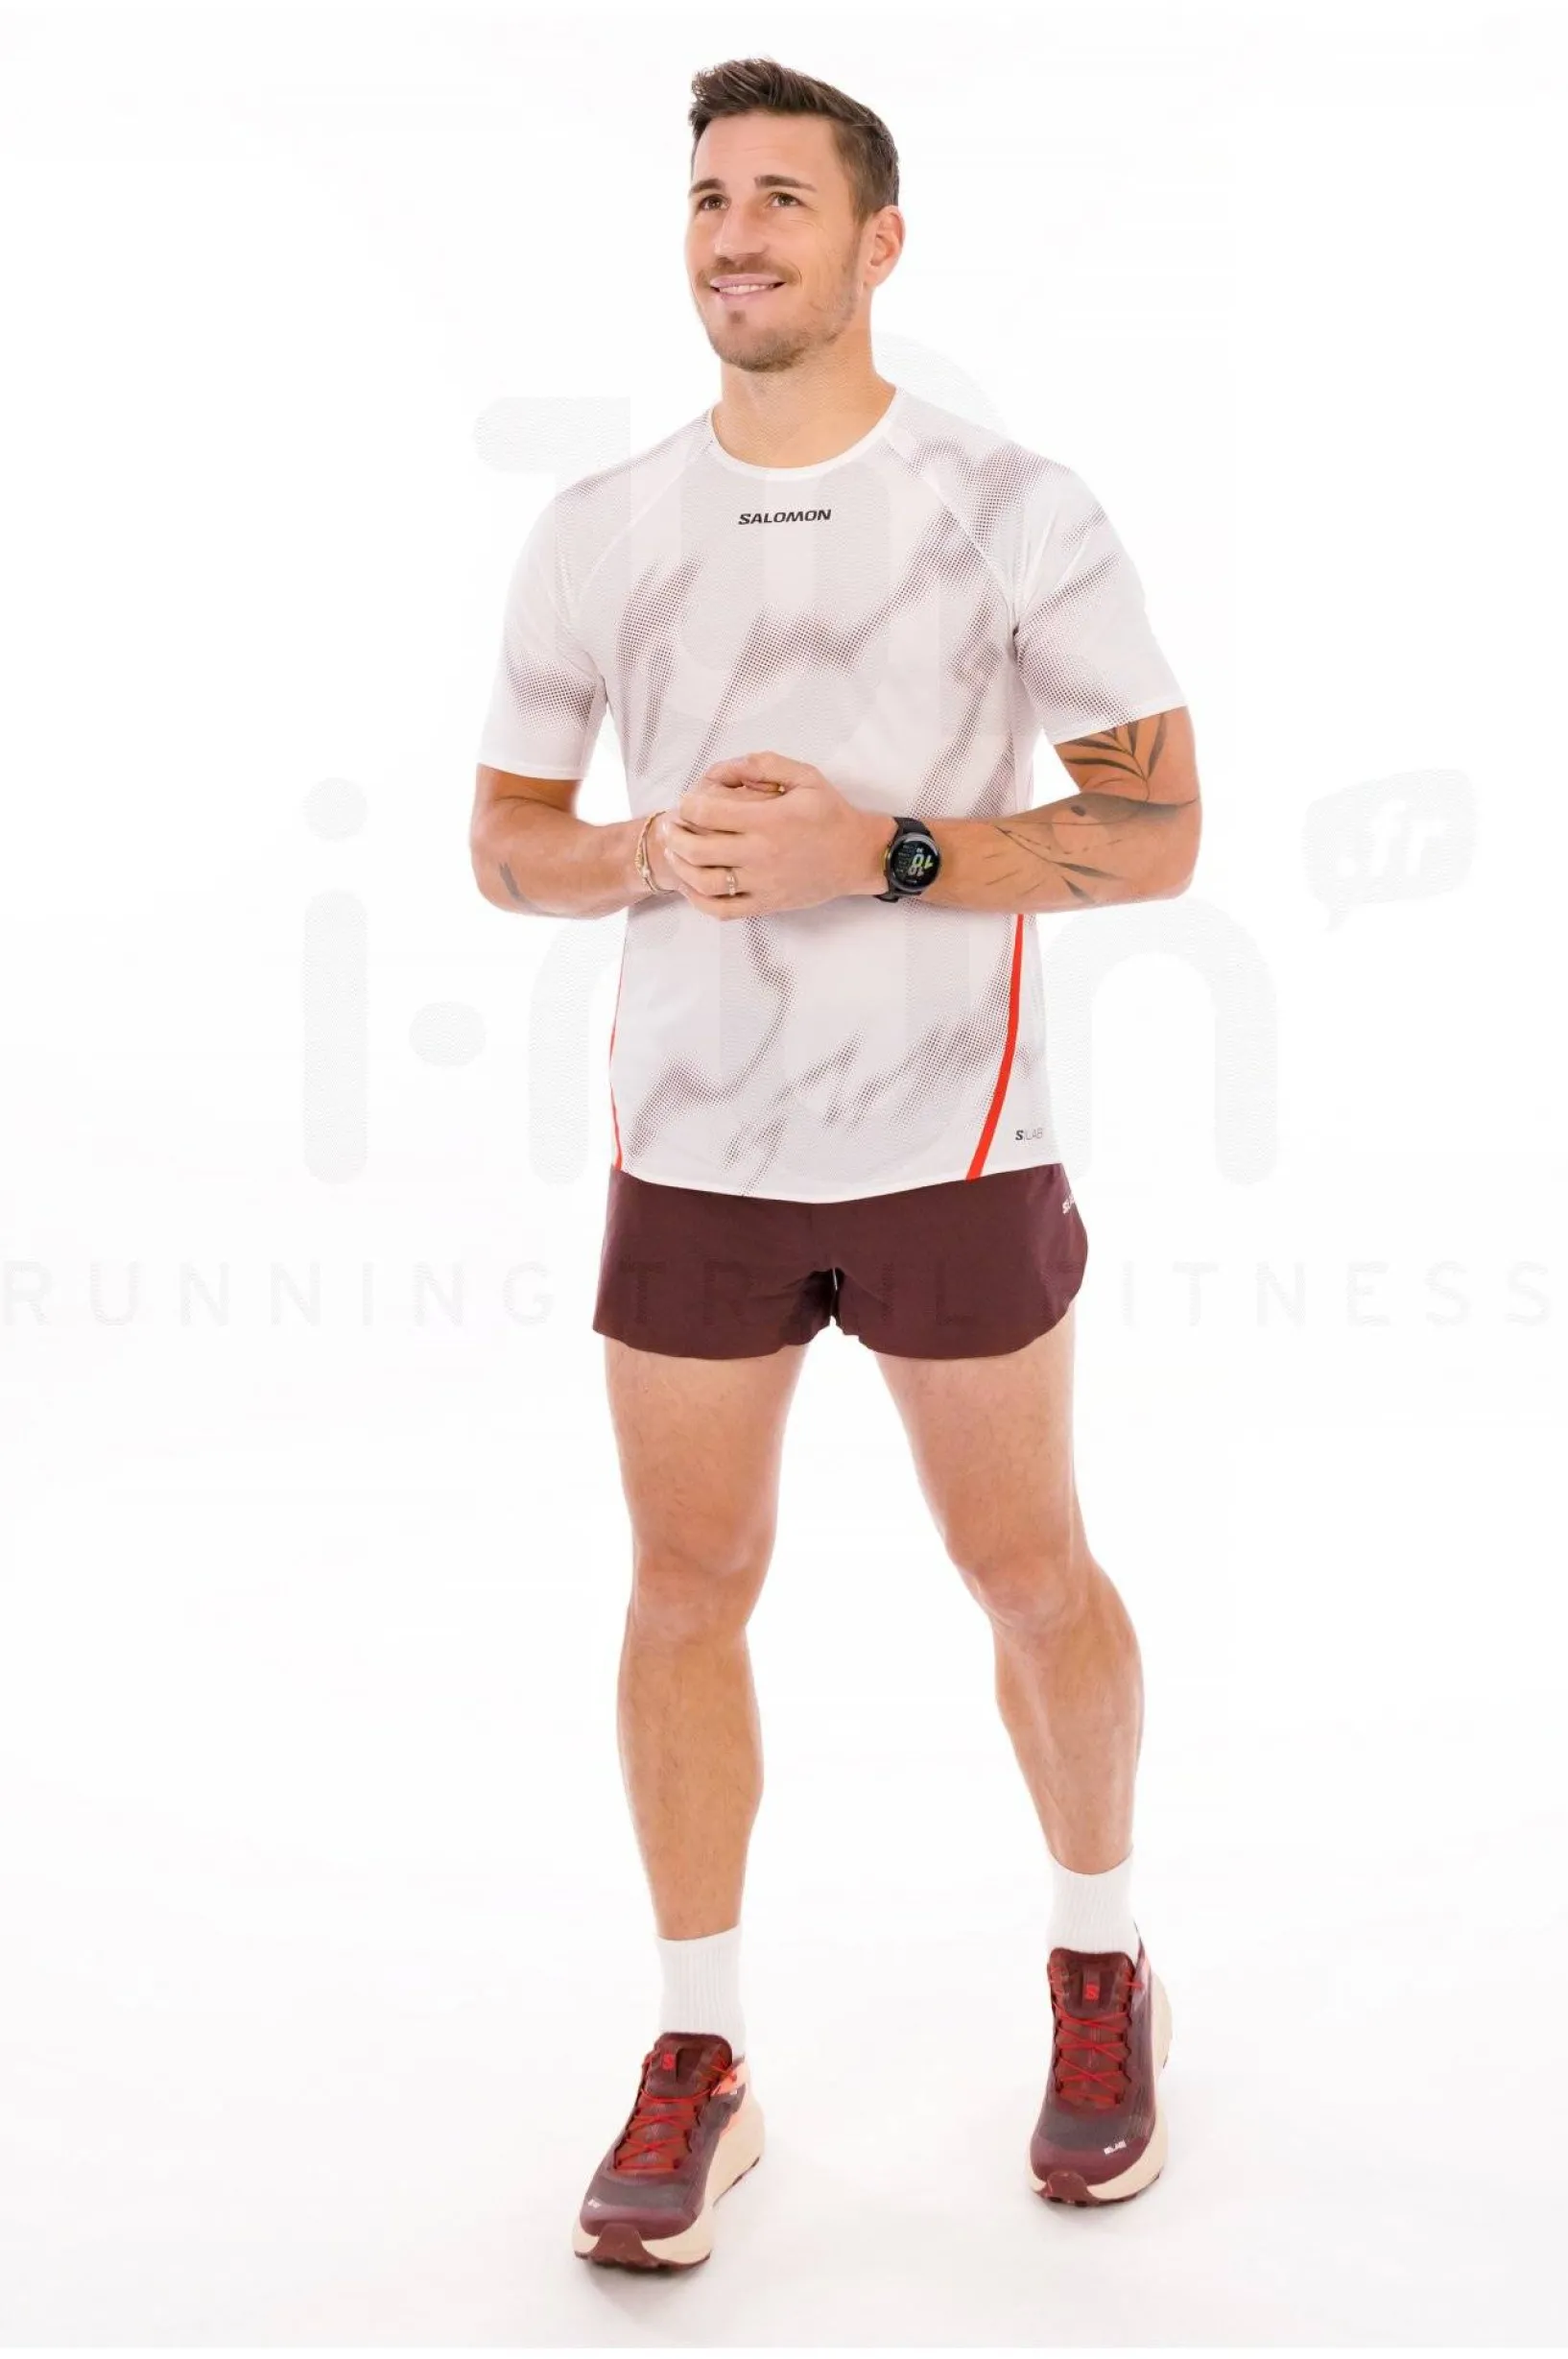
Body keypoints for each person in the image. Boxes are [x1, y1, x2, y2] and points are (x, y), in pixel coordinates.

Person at [470, 55, 1200, 2273]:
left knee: (1026, 1570)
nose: (737, 235)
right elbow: (507, 843)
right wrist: (647, 855)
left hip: (951, 1138)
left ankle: (1100, 1960)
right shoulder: (597, 524)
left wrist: (881, 851)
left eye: (783, 198)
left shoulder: (1010, 506)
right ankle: (698, 2046)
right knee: (684, 1585)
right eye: (710, 198)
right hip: (693, 1147)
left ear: (879, 243)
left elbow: (1157, 828)